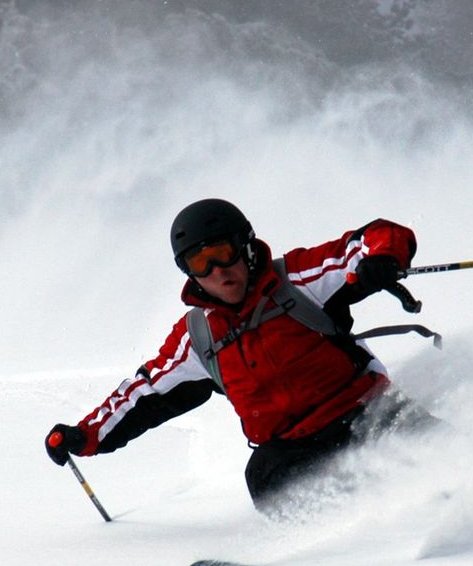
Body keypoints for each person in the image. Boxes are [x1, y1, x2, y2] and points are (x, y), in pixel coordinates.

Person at [45, 198, 433, 513]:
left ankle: (447, 485)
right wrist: (85, 435)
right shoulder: (197, 337)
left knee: (427, 443)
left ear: (245, 247)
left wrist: (382, 258)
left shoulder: (298, 279)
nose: (217, 271)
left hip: (365, 410)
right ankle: (351, 524)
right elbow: (144, 392)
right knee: (264, 477)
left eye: (223, 253)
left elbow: (373, 238)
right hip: (293, 449)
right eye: (200, 263)